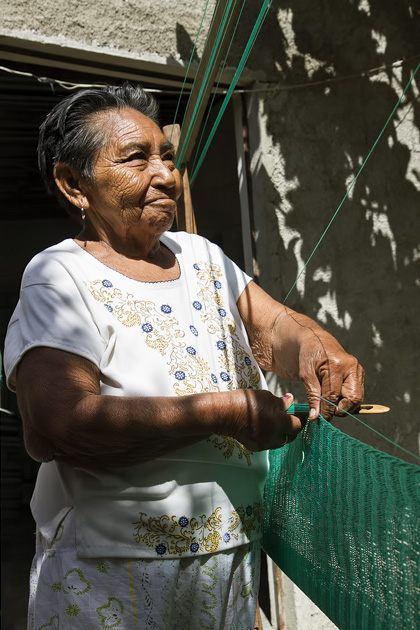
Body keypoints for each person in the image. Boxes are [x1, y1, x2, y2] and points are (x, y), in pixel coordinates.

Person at [3, 83, 364, 630]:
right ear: (73, 184)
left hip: (232, 559)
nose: (166, 175)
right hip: (112, 573)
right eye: (136, 159)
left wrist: (321, 349)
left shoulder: (199, 256)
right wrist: (228, 412)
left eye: (167, 157)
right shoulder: (58, 276)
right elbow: (56, 426)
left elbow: (274, 327)